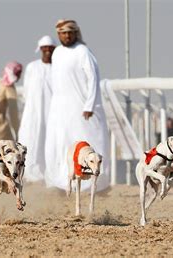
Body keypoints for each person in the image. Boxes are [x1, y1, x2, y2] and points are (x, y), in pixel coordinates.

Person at [44, 19, 109, 191]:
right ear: (58, 34)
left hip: (80, 108)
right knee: (58, 143)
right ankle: (62, 181)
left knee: (84, 142)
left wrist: (89, 105)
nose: (67, 36)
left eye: (70, 32)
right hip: (59, 108)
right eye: (63, 33)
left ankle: (90, 184)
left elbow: (93, 78)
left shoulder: (83, 51)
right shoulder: (56, 53)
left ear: (75, 33)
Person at [18, 35, 56, 182]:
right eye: (44, 47)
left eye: (50, 47)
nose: (47, 50)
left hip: (52, 113)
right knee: (32, 140)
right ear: (40, 49)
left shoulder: (58, 66)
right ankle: (31, 175)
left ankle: (50, 174)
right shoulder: (32, 67)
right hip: (33, 113)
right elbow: (27, 91)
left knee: (50, 142)